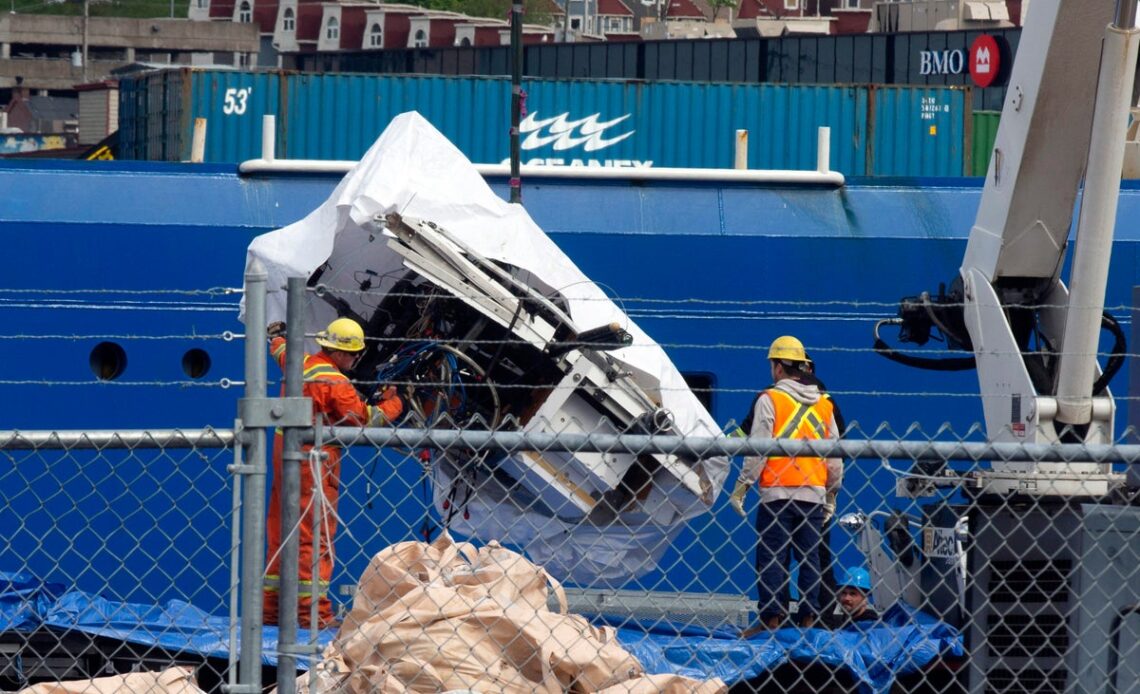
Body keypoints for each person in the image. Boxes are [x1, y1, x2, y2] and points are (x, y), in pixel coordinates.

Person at [262, 317, 404, 629]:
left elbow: (279, 349)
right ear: (339, 353)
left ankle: (270, 613)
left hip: (284, 454)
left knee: (280, 534)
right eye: (353, 354)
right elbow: (366, 420)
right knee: (315, 539)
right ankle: (313, 615)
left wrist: (276, 335)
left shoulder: (299, 361)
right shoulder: (336, 383)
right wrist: (394, 403)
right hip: (314, 462)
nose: (356, 360)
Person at [730, 335, 843, 630]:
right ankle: (809, 618)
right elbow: (835, 455)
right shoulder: (825, 405)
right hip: (814, 494)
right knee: (810, 559)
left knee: (772, 557)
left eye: (772, 365)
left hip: (777, 494)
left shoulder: (770, 399)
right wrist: (832, 493)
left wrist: (742, 486)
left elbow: (759, 448)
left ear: (779, 367)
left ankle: (772, 619)